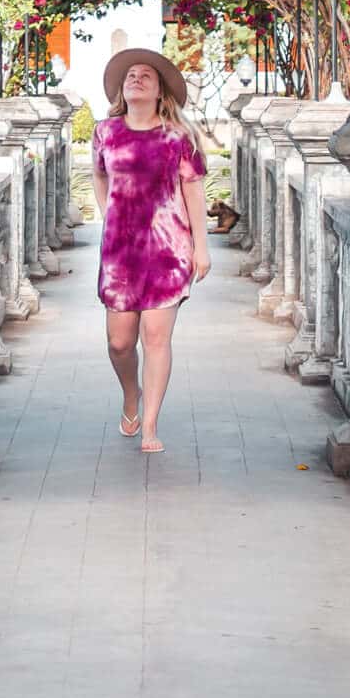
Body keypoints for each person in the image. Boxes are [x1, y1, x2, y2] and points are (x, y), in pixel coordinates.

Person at [91, 45, 210, 454]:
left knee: (156, 337)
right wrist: (110, 215)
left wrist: (201, 248)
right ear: (122, 91)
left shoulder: (178, 137)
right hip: (120, 254)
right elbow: (99, 175)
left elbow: (193, 191)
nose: (136, 79)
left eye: (146, 75)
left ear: (160, 91)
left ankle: (151, 425)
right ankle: (131, 396)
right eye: (130, 76)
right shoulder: (106, 132)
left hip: (167, 250)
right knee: (120, 343)